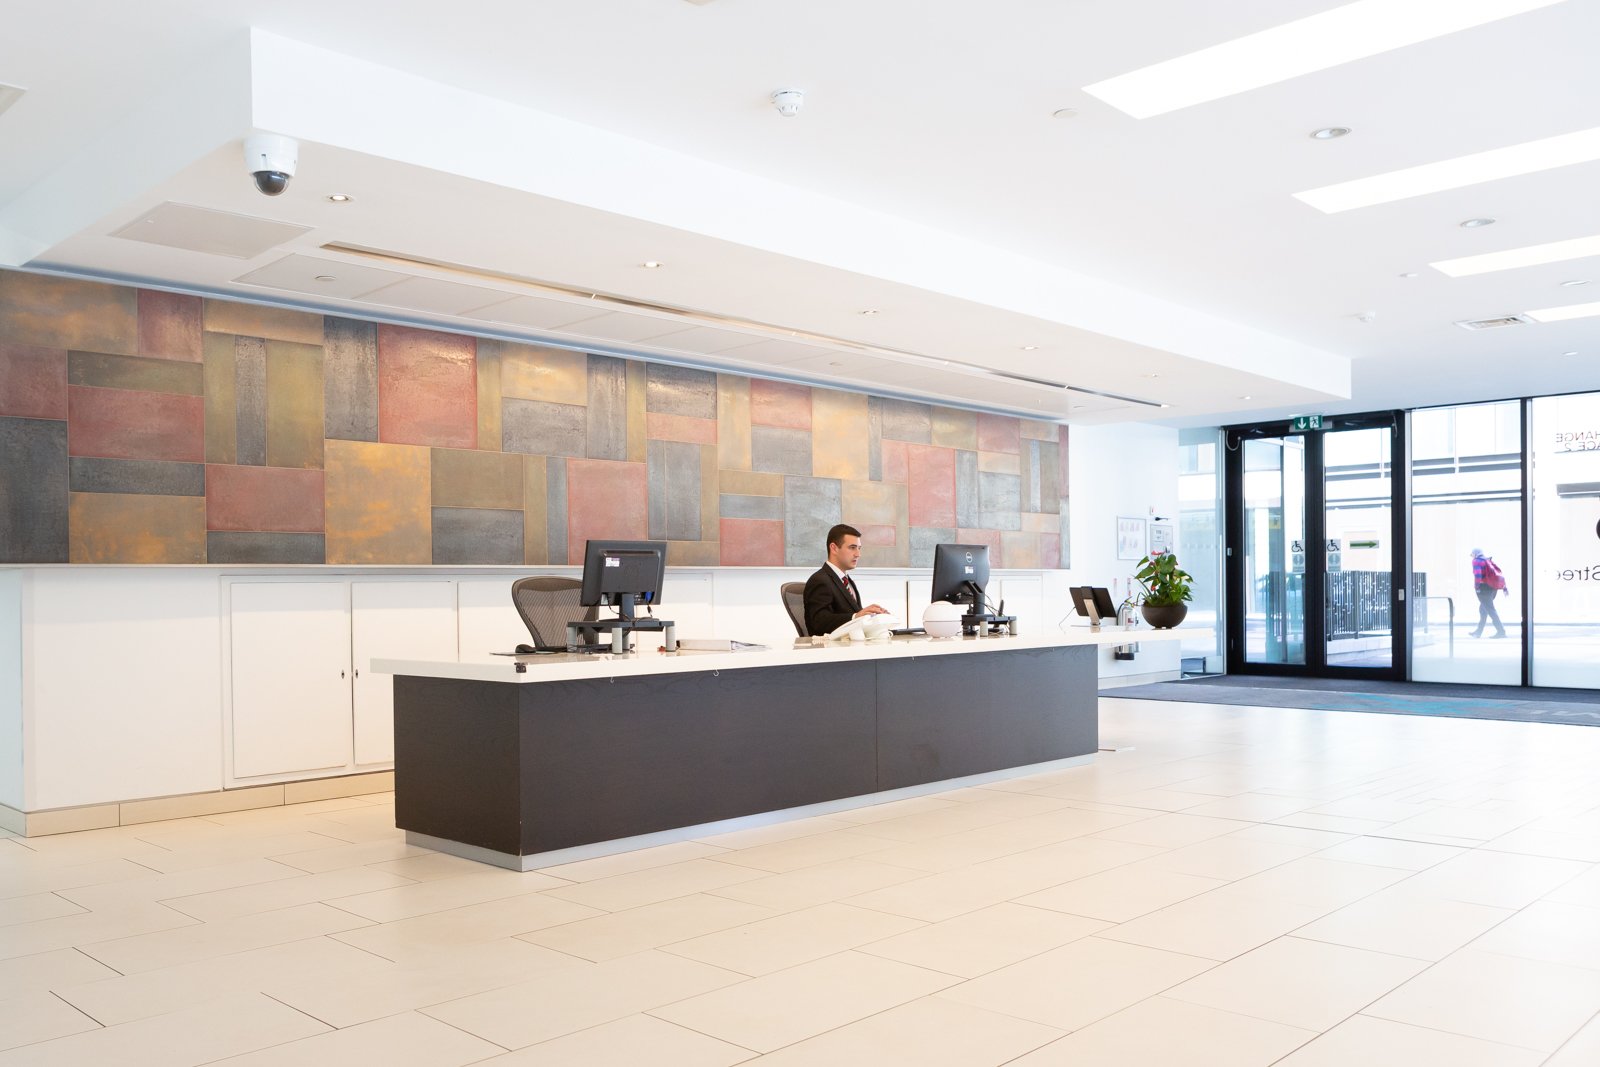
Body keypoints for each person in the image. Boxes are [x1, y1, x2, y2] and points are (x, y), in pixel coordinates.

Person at [803, 524, 889, 636]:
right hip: (830, 646)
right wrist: (856, 617)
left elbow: (854, 616)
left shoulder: (847, 581)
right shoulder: (820, 580)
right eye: (852, 548)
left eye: (859, 548)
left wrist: (872, 617)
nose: (858, 554)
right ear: (834, 548)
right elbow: (818, 621)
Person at [1469, 547, 1508, 638]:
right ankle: (1478, 632)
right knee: (1483, 609)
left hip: (1484, 588)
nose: (1472, 556)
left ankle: (1501, 631)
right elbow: (1499, 573)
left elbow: (1478, 575)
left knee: (1490, 609)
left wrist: (1477, 587)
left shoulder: (1476, 561)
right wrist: (1504, 588)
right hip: (1493, 588)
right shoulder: (1488, 560)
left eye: (1472, 554)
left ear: (1475, 553)